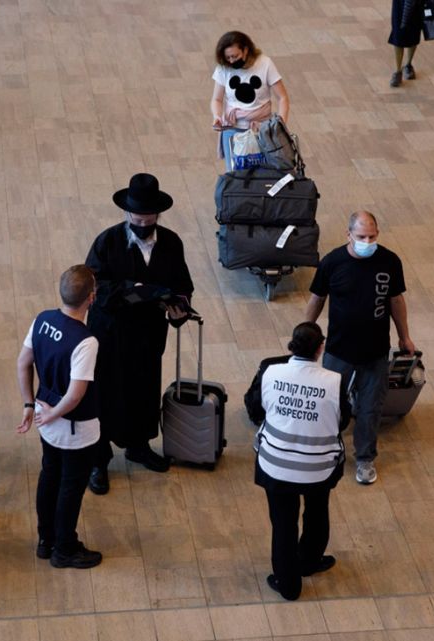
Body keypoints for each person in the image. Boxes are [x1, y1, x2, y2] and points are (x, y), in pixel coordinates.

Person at [84, 173, 194, 494]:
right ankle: (98, 460)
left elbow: (182, 285)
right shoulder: (107, 242)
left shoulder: (171, 243)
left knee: (144, 389)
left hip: (148, 333)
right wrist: (134, 290)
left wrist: (180, 309)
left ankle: (138, 445)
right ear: (127, 213)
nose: (143, 220)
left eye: (148, 215)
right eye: (137, 215)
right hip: (110, 335)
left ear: (157, 214)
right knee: (105, 394)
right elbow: (96, 288)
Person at [304, 211, 415, 485]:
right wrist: (305, 332)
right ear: (348, 235)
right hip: (339, 350)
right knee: (330, 403)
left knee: (370, 408)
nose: (367, 241)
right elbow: (317, 298)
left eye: (372, 236)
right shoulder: (332, 263)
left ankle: (365, 458)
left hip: (375, 351)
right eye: (361, 236)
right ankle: (326, 449)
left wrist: (404, 336)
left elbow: (395, 301)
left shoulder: (389, 261)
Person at [16, 265, 103, 569]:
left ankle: (46, 540)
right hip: (73, 427)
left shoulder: (42, 320)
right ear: (91, 298)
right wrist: (55, 412)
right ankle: (65, 548)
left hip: (44, 417)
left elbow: (23, 363)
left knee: (49, 474)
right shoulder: (85, 340)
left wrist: (31, 405)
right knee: (71, 485)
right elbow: (77, 393)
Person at [256, 322, 350, 601]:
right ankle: (309, 561)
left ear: (291, 345)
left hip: (275, 464)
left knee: (283, 524)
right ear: (320, 348)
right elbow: (343, 420)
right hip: (318, 468)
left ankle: (288, 585)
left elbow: (258, 406)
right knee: (317, 511)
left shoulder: (270, 371)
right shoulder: (335, 381)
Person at [210, 31, 290, 170]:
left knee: (263, 172)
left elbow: (282, 97)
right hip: (232, 127)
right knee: (235, 173)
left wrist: (280, 124)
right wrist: (217, 116)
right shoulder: (223, 68)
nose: (231, 61)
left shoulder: (265, 64)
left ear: (246, 50)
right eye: (228, 57)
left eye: (235, 56)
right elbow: (217, 99)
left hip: (261, 129)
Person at [388, 0, 422, 87]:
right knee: (398, 35)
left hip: (417, 4)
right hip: (400, 4)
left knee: (414, 33)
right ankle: (398, 70)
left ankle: (408, 65)